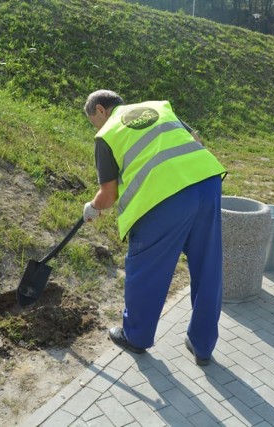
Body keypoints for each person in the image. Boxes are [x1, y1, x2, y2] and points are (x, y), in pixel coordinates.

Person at [82, 90, 226, 366]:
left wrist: (92, 207)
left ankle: (136, 336)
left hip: (163, 199)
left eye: (94, 121)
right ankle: (203, 345)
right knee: (208, 266)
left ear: (100, 110)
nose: (96, 128)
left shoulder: (107, 134)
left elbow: (108, 195)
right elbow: (195, 140)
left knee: (146, 270)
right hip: (206, 182)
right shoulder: (159, 107)